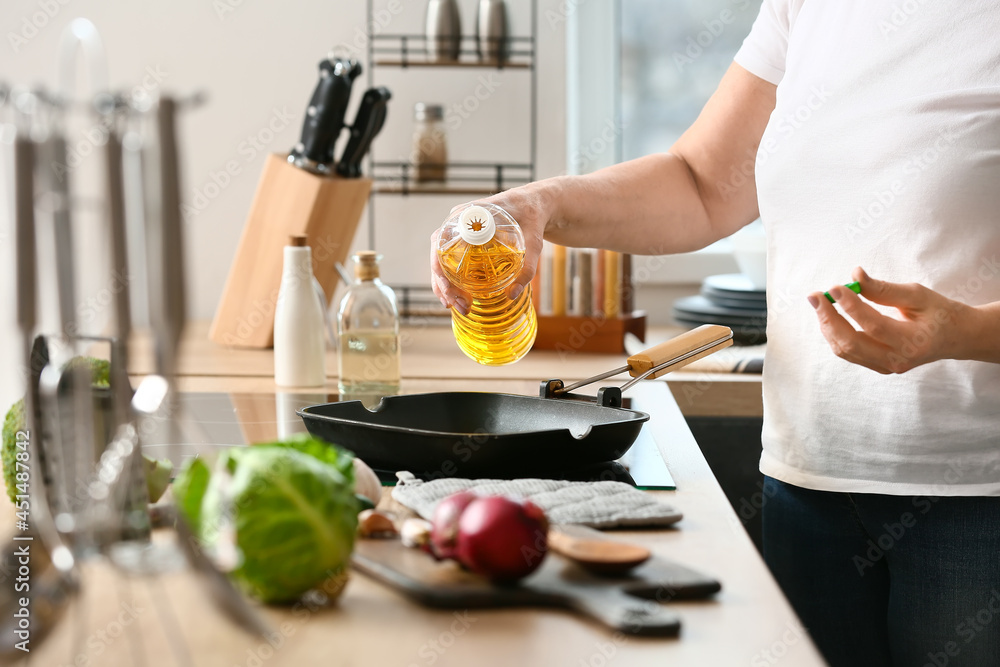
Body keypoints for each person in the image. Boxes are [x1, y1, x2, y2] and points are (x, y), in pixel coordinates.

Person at [430, 1, 1000, 665]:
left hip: (975, 497)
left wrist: (966, 331)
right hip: (806, 479)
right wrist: (534, 205)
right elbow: (702, 185)